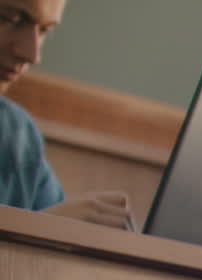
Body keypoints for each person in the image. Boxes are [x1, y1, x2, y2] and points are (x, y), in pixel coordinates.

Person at [1, 0, 133, 229]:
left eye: (44, 30)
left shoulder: (18, 136)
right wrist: (40, 229)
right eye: (9, 18)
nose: (31, 54)